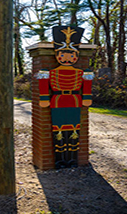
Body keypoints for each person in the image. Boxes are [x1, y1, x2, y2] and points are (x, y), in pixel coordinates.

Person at [38, 26, 93, 168]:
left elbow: (86, 88)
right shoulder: (50, 73)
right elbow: (44, 87)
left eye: (71, 55)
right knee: (58, 129)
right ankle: (59, 159)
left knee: (74, 129)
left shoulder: (82, 73)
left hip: (75, 101)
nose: (67, 58)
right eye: (63, 55)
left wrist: (87, 96)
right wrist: (44, 98)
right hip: (57, 102)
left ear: (76, 56)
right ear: (57, 55)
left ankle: (72, 159)